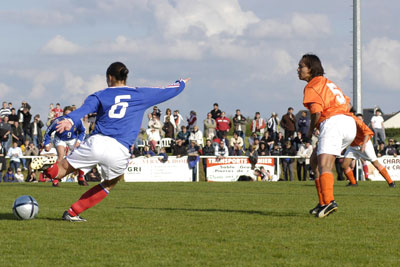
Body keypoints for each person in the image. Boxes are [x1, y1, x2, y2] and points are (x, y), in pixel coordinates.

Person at [30, 62, 188, 222]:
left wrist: (70, 120)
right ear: (125, 77)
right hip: (119, 149)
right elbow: (168, 90)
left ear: (109, 77)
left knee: (63, 168)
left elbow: (82, 111)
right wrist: (181, 83)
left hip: (96, 142)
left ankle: (46, 168)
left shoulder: (99, 95)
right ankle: (73, 212)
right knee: (110, 182)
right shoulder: (141, 94)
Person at [299, 53, 356, 218]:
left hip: (334, 122)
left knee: (325, 164)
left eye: (301, 66)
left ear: (311, 69)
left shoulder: (312, 86)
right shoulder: (328, 83)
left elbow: (316, 112)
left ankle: (330, 202)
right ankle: (323, 202)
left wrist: (311, 131)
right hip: (348, 122)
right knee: (315, 160)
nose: (298, 69)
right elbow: (348, 104)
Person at [342, 114, 395, 187]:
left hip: (365, 144)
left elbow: (367, 133)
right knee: (344, 165)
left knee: (375, 163)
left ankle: (391, 182)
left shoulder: (357, 122)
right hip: (353, 146)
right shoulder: (344, 123)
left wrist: (363, 145)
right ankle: (353, 183)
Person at [44, 106, 87, 187]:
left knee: (80, 155)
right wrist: (46, 144)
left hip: (72, 139)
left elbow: (83, 131)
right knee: (60, 156)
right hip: (60, 139)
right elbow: (48, 132)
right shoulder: (57, 121)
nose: (68, 116)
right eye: (66, 114)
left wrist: (78, 141)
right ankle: (55, 179)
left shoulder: (77, 120)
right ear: (63, 114)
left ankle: (81, 177)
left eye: (70, 114)